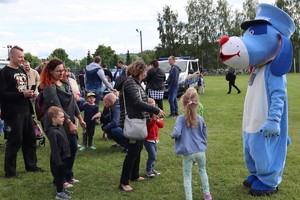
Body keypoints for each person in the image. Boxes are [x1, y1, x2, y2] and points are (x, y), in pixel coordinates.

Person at [115, 61, 165, 192]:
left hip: (139, 121)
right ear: (139, 71)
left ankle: (134, 175)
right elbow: (136, 102)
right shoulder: (130, 83)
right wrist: (155, 109)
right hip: (132, 122)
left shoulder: (135, 83)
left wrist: (149, 103)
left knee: (137, 149)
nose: (146, 73)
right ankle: (123, 182)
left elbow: (141, 99)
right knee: (132, 152)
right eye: (145, 71)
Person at [39, 58, 86, 188]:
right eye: (58, 71)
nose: (61, 73)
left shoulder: (66, 83)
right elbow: (57, 107)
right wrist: (70, 123)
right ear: (50, 71)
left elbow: (73, 102)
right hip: (55, 124)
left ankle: (68, 175)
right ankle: (59, 179)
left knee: (72, 148)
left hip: (69, 121)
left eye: (63, 70)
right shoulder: (49, 87)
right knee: (59, 151)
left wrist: (80, 119)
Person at [0, 45, 44, 178]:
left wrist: (30, 94)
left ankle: (31, 165)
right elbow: (2, 94)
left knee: (30, 139)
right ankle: (10, 172)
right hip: (13, 113)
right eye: (20, 57)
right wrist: (21, 95)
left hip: (26, 110)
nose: (22, 59)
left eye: (23, 57)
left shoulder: (21, 70)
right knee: (15, 141)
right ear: (11, 56)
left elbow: (22, 89)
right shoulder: (3, 73)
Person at [171, 89, 212, 200]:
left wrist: (172, 135)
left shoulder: (180, 119)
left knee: (187, 176)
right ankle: (207, 195)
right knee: (203, 171)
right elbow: (205, 134)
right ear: (197, 103)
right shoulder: (200, 119)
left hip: (188, 152)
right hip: (200, 151)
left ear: (183, 103)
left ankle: (189, 198)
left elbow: (176, 133)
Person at [44, 106, 72, 200]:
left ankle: (62, 189)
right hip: (58, 159)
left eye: (63, 117)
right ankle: (59, 193)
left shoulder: (60, 127)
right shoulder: (52, 132)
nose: (63, 119)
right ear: (54, 119)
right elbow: (54, 148)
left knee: (62, 175)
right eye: (61, 117)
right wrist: (58, 162)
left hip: (64, 156)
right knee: (59, 176)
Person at [144, 98, 164, 177]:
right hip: (148, 139)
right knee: (152, 155)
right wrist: (153, 120)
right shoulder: (146, 117)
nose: (154, 107)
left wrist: (157, 119)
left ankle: (152, 169)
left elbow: (161, 125)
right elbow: (148, 127)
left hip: (155, 139)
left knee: (154, 155)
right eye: (152, 105)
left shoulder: (155, 116)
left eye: (154, 105)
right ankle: (148, 170)